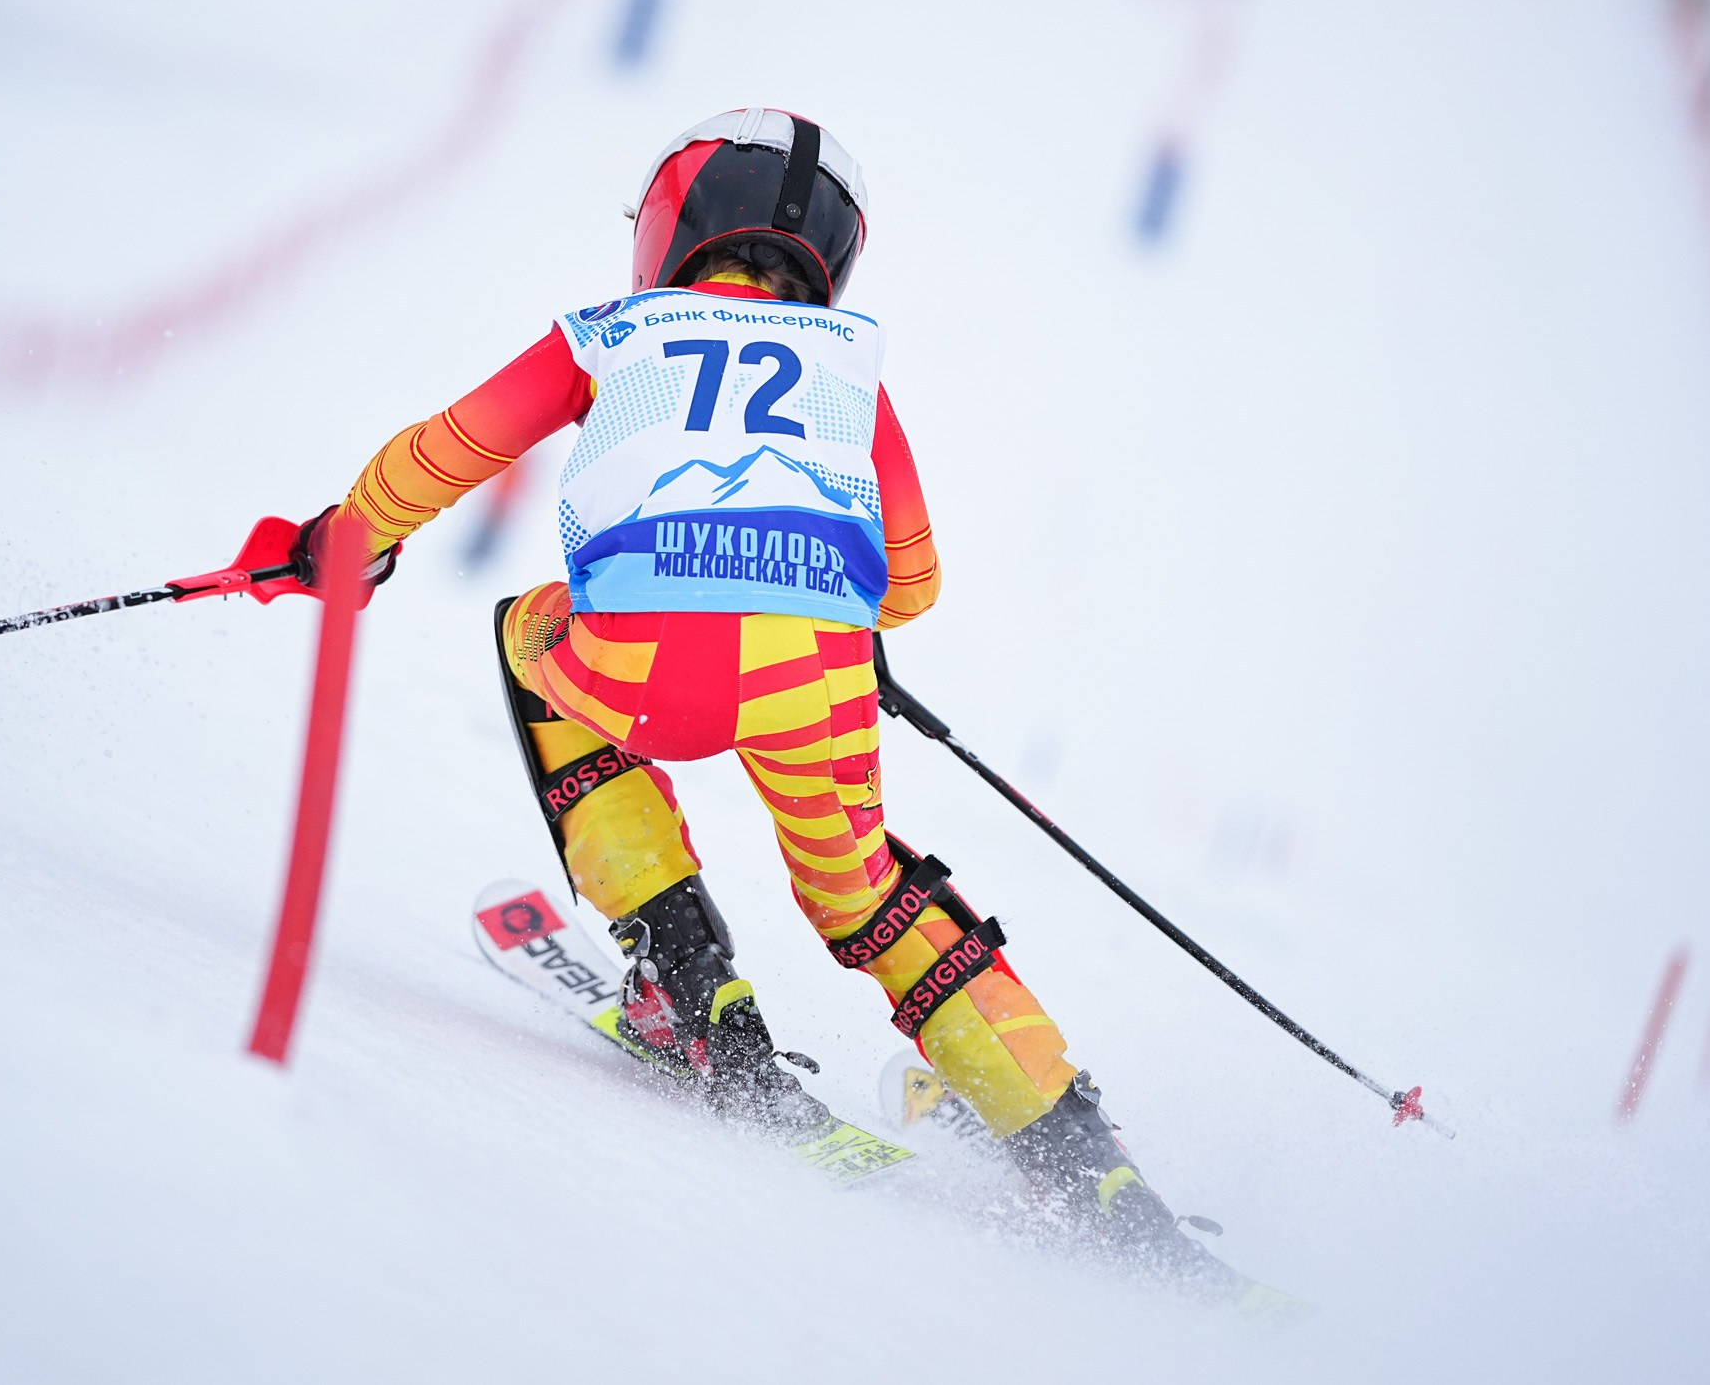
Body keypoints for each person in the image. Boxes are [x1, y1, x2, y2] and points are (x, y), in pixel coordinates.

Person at [278, 107, 1217, 1277]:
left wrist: (344, 541)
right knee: (866, 894)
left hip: (632, 662)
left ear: (671, 227)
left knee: (531, 640)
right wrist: (823, 595)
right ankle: (1085, 1163)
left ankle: (688, 988)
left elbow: (447, 449)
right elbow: (912, 584)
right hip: (809, 676)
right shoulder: (850, 371)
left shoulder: (607, 334)